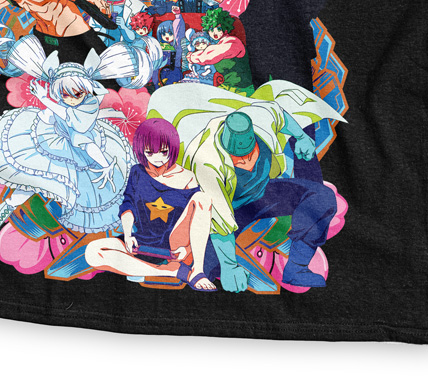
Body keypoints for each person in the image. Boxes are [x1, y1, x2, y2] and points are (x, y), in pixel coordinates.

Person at [0, 34, 161, 273]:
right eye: (65, 94)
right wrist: (44, 109)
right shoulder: (58, 107)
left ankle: (136, 253)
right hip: (52, 147)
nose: (71, 99)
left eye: (77, 94)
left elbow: (81, 135)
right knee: (16, 197)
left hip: (85, 153)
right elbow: (51, 118)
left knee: (112, 201)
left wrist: (105, 165)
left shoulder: (88, 108)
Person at [147, 80, 346, 291]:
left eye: (250, 155)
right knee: (201, 272)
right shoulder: (207, 163)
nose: (245, 162)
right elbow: (220, 219)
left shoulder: (261, 117)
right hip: (230, 207)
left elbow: (280, 115)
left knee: (322, 198)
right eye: (238, 159)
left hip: (263, 192)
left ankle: (296, 269)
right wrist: (229, 266)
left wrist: (301, 136)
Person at [84, 119, 216, 291]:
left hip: (175, 246)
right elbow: (128, 205)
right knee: (93, 252)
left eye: (163, 151)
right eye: (150, 152)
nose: (158, 158)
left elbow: (197, 219)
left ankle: (197, 270)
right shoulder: (137, 172)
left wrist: (188, 249)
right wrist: (128, 235)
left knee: (202, 198)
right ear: (141, 151)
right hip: (140, 243)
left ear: (172, 148)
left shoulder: (188, 177)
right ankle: (173, 272)